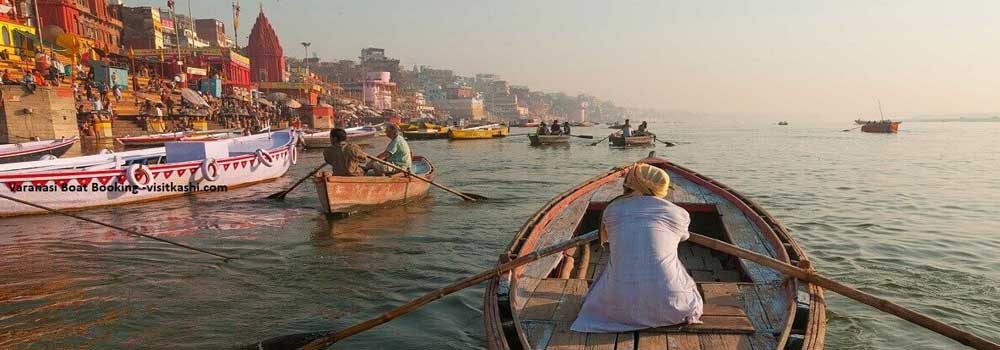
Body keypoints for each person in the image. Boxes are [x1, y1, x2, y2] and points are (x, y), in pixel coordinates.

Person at [570, 163, 703, 332]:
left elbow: (611, 238)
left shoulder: (611, 210)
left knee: (611, 268)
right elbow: (684, 237)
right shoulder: (680, 213)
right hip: (674, 308)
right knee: (676, 267)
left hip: (617, 311)